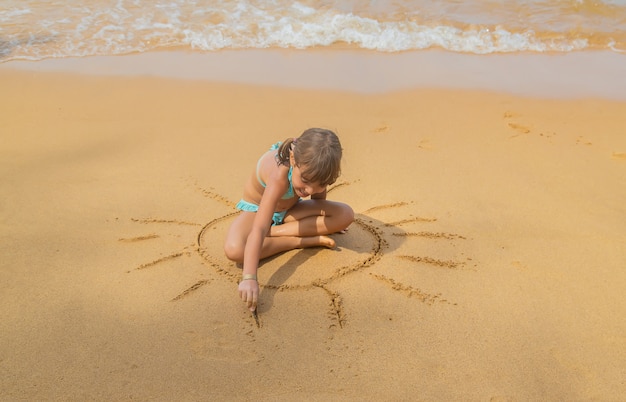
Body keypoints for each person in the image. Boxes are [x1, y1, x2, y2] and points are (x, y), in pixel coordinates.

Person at [224, 128, 354, 312]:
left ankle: (276, 232)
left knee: (346, 214)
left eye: (321, 185)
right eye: (306, 181)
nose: (309, 191)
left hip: (290, 210)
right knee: (235, 250)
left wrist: (325, 221)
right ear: (293, 160)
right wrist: (249, 278)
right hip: (257, 210)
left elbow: (318, 201)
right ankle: (297, 241)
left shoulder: (316, 174)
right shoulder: (279, 176)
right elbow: (259, 228)